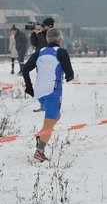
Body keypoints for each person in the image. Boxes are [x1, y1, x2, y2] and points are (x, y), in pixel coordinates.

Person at [22, 28, 74, 162]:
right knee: (49, 121)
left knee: (56, 115)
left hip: (39, 92)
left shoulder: (39, 52)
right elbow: (69, 72)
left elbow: (25, 69)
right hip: (53, 91)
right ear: (60, 40)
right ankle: (40, 151)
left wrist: (28, 85)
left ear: (47, 40)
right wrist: (69, 76)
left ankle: (41, 136)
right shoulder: (61, 52)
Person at [30, 17, 55, 112]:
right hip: (39, 60)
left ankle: (48, 104)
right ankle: (43, 104)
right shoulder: (42, 33)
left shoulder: (52, 34)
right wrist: (34, 33)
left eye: (44, 26)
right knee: (40, 83)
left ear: (50, 26)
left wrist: (39, 34)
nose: (43, 27)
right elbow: (34, 43)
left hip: (48, 61)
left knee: (46, 83)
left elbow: (45, 44)